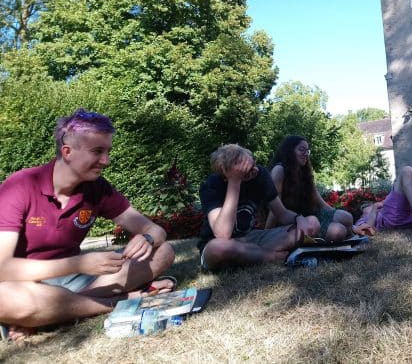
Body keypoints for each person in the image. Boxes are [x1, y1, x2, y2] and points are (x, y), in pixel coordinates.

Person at [0, 109, 176, 341]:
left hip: (76, 283)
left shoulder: (98, 188)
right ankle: (124, 301)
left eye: (107, 151)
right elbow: (3, 268)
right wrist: (80, 263)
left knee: (164, 251)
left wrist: (148, 239)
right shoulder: (21, 185)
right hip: (25, 284)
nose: (106, 161)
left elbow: (155, 230)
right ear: (67, 152)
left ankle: (47, 314)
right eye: (97, 151)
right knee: (5, 297)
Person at [197, 144, 319, 271]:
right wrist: (235, 182)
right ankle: (271, 257)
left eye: (253, 163)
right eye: (247, 170)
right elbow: (222, 235)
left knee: (312, 222)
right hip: (219, 245)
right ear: (227, 174)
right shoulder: (212, 185)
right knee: (218, 248)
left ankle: (250, 257)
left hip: (250, 240)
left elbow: (281, 213)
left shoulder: (260, 174)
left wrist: (299, 218)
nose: (254, 170)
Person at [265, 136, 353, 242]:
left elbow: (321, 203)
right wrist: (266, 234)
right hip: (289, 220)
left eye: (307, 151)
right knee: (339, 231)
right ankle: (313, 239)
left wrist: (353, 226)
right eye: (302, 150)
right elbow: (274, 210)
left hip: (308, 215)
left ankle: (345, 234)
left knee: (347, 217)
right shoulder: (279, 170)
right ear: (289, 151)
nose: (306, 154)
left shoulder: (304, 173)